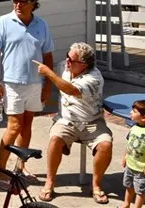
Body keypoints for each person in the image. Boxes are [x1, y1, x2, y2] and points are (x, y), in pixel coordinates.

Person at [0, 0, 54, 185]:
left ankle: (20, 166)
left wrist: (48, 85)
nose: (17, 4)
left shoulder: (42, 25)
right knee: (14, 126)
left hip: (35, 83)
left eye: (22, 1)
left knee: (27, 126)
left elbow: (48, 55)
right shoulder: (3, 22)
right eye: (15, 0)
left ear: (32, 4)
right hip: (12, 84)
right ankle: (0, 171)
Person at [33, 41, 113, 204]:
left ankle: (96, 185)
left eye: (71, 60)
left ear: (83, 65)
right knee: (55, 139)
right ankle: (50, 182)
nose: (66, 61)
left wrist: (48, 73)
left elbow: (70, 89)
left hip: (91, 122)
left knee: (106, 144)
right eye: (67, 57)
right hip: (66, 121)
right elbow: (48, 67)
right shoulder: (65, 66)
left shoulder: (94, 78)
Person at [121, 99, 145, 208]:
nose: (130, 113)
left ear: (144, 117)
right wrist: (125, 157)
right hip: (130, 164)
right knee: (128, 185)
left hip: (141, 168)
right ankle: (126, 204)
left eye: (134, 111)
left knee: (140, 190)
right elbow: (129, 144)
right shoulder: (133, 127)